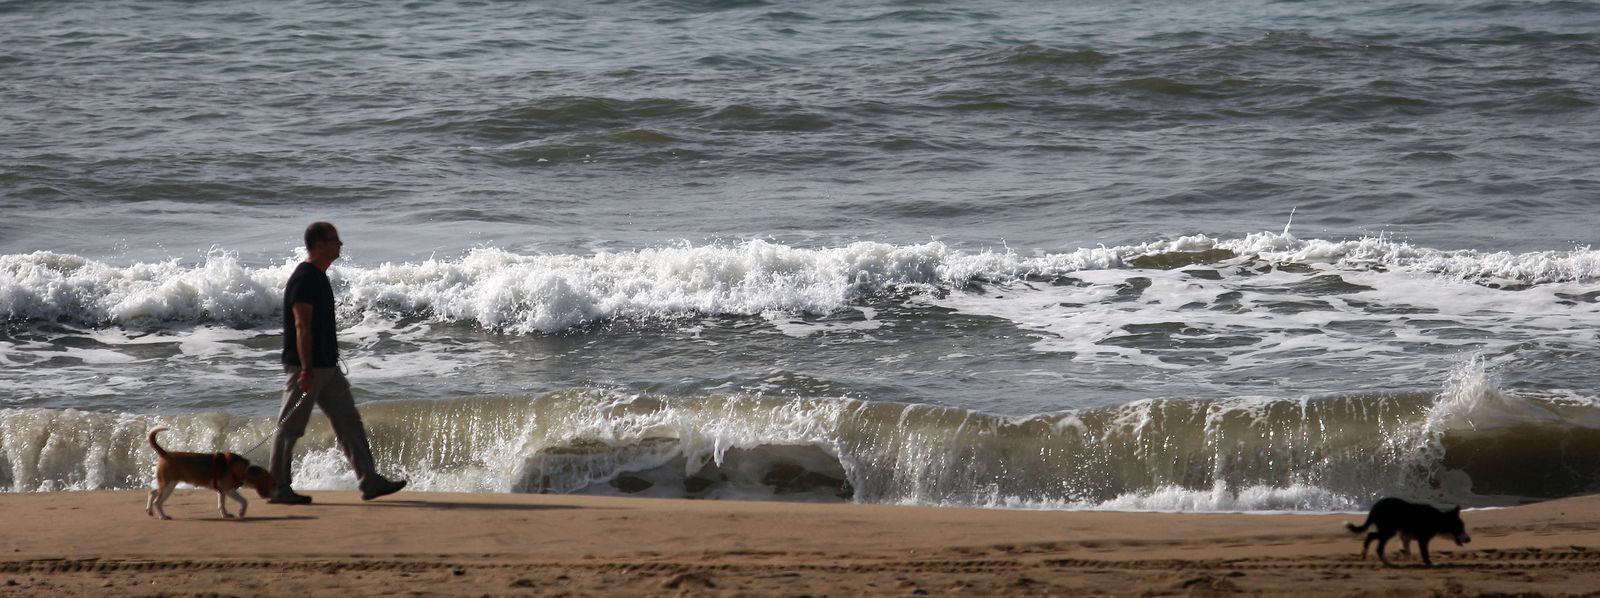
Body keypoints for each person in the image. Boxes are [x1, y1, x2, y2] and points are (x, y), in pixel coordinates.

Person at [267, 222, 407, 504]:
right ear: (319, 244)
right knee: (290, 427)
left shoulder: (319, 276)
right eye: (334, 239)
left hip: (327, 369)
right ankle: (277, 487)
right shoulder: (304, 278)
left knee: (349, 423)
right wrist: (305, 369)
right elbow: (301, 326)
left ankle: (369, 481)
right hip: (307, 368)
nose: (340, 244)